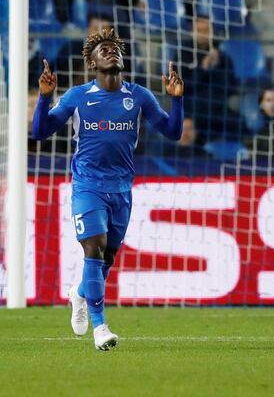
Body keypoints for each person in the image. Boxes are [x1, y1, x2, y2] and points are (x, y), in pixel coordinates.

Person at [32, 27, 184, 350]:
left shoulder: (139, 96)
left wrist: (177, 100)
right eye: (103, 50)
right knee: (95, 247)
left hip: (121, 190)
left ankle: (80, 294)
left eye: (114, 48)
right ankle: (100, 328)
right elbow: (40, 132)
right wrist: (45, 98)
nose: (110, 51)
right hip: (88, 185)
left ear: (122, 58)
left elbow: (172, 132)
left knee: (107, 258)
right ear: (92, 63)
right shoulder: (77, 97)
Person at [175, 16, 241, 140]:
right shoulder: (182, 55)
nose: (203, 34)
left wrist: (216, 67)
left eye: (206, 30)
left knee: (238, 123)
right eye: (199, 30)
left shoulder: (223, 56)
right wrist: (203, 69)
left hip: (218, 107)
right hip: (192, 108)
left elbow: (231, 87)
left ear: (213, 32)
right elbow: (179, 88)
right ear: (192, 31)